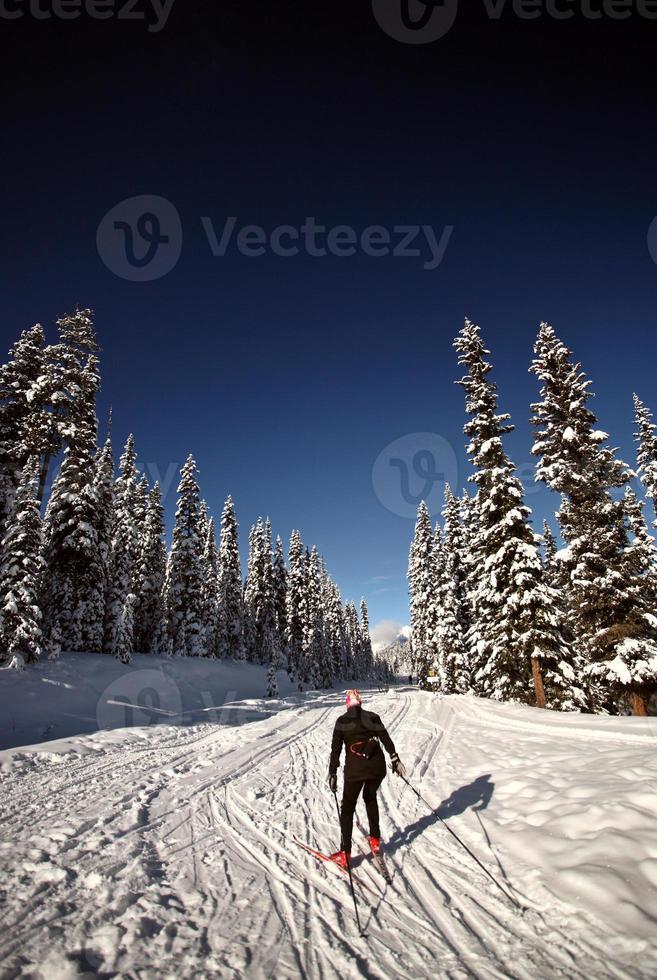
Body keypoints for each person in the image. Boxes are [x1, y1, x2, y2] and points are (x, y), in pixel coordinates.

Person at [328, 689, 406, 868]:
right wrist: (395, 759)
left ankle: (345, 853)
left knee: (347, 807)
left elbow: (336, 750)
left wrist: (333, 773)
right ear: (360, 702)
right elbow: (386, 738)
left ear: (347, 703)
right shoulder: (373, 717)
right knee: (370, 797)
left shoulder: (341, 722)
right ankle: (375, 840)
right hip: (377, 768)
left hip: (355, 771)